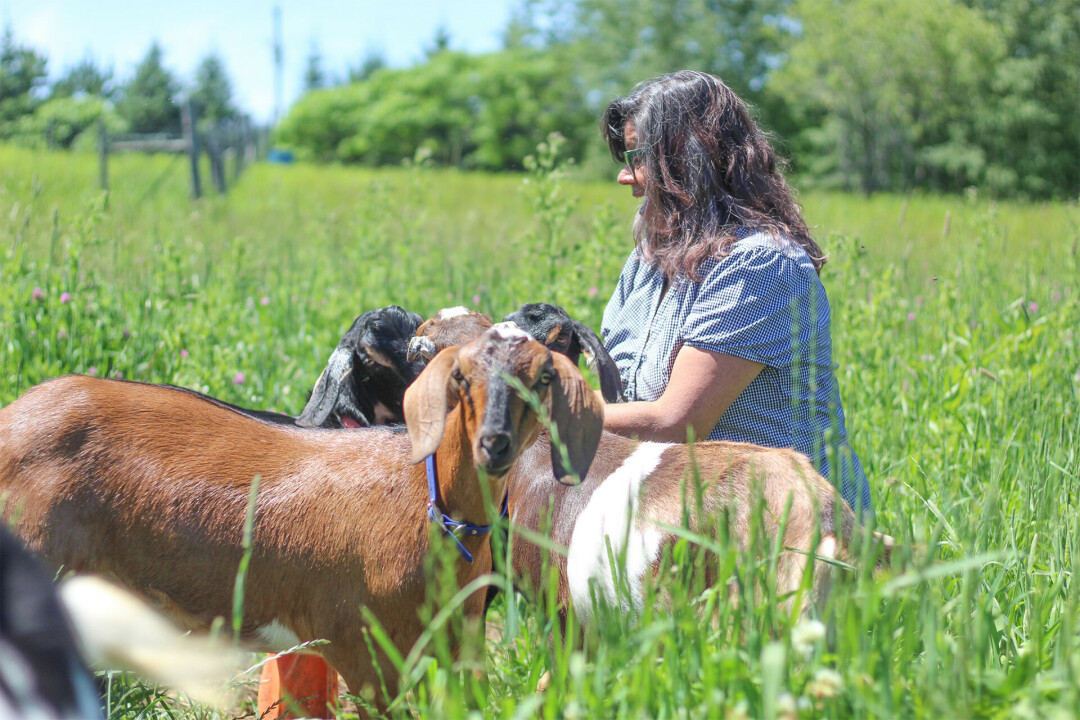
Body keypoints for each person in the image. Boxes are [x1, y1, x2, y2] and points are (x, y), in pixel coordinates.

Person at [597, 71, 872, 517]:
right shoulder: (646, 262)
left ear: (687, 160)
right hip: (693, 521)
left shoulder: (761, 264)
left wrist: (543, 412)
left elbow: (676, 424)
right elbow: (619, 400)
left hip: (790, 531)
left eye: (636, 157)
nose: (625, 176)